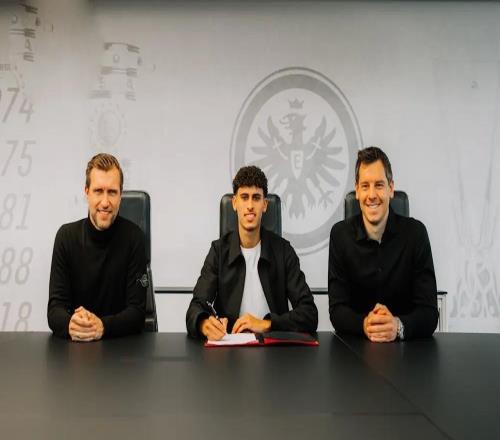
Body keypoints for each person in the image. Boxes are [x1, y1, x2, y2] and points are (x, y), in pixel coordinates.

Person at [186, 165, 318, 340]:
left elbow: (309, 313)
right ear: (234, 203)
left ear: (264, 205)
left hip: (274, 349)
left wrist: (267, 324)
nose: (249, 206)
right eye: (244, 197)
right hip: (230, 347)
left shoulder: (283, 251)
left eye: (256, 198)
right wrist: (204, 324)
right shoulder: (219, 251)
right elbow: (195, 307)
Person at [328, 147, 438, 342]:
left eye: (379, 185)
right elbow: (337, 310)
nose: (372, 195)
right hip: (355, 350)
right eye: (365, 186)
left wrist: (397, 326)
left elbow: (429, 313)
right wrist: (365, 325)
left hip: (408, 351)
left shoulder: (416, 234)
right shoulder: (340, 236)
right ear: (357, 190)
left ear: (391, 188)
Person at [48, 153, 147, 341]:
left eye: (112, 192)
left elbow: (137, 313)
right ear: (86, 192)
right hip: (76, 348)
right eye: (98, 191)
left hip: (122, 348)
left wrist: (102, 326)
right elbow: (55, 310)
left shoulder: (134, 238)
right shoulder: (66, 237)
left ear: (120, 195)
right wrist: (72, 324)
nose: (105, 202)